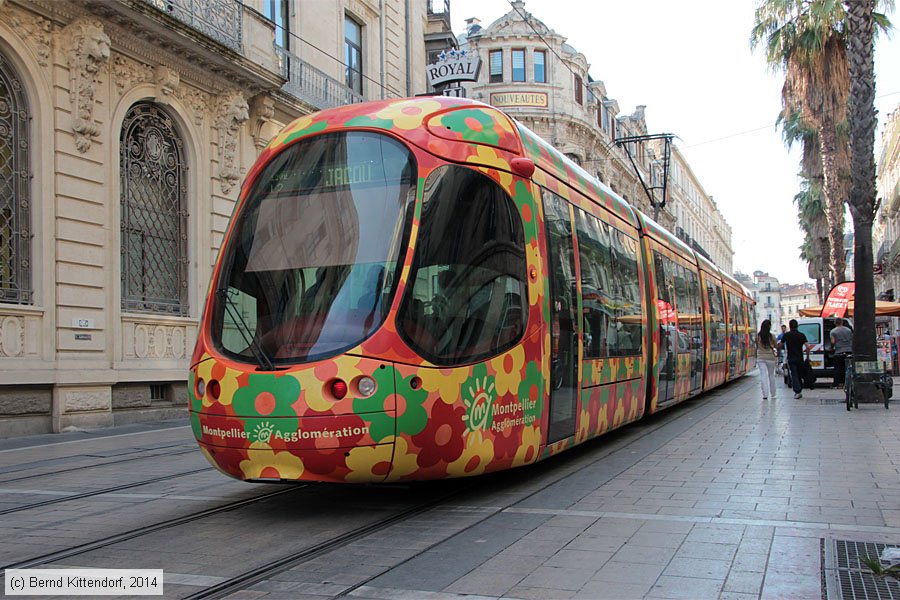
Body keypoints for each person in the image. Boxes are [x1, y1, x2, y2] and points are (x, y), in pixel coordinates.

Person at [778, 319, 811, 399]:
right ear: (797, 326)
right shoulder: (801, 335)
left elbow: (780, 345)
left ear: (789, 326)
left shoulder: (786, 335)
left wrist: (778, 350)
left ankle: (797, 391)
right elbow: (808, 347)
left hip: (791, 358)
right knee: (799, 374)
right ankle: (799, 389)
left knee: (794, 374)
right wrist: (807, 357)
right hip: (800, 358)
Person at [756, 319, 778, 400]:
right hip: (770, 358)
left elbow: (757, 345)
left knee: (763, 375)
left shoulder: (758, 336)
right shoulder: (772, 336)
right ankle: (773, 393)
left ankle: (765, 394)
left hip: (761, 357)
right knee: (771, 375)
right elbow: (776, 346)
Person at [830, 318, 853, 388]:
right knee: (848, 368)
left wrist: (832, 347)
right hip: (849, 351)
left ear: (835, 323)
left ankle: (838, 383)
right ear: (842, 322)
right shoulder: (848, 330)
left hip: (839, 352)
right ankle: (848, 383)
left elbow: (833, 342)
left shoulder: (833, 331)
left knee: (838, 369)